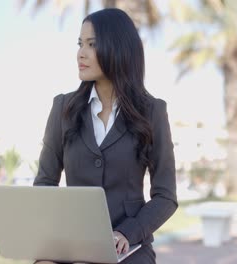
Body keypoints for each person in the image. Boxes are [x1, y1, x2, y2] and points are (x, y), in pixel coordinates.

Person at [32, 8, 178, 264]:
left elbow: (165, 196)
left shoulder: (153, 111)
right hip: (71, 247)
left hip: (129, 248)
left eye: (92, 44)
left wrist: (127, 233)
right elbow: (45, 184)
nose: (81, 53)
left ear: (118, 47)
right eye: (80, 44)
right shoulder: (62, 108)